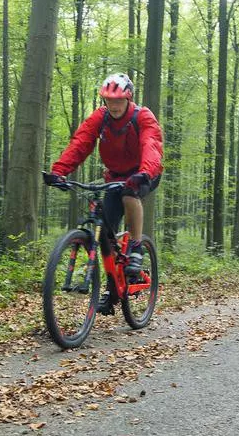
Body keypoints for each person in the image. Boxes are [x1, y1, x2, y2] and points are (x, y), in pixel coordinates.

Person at [44, 73, 163, 313]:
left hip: (145, 172)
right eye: (109, 100)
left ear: (128, 98)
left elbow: (151, 145)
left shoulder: (143, 116)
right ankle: (112, 292)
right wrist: (59, 172)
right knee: (106, 239)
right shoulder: (100, 118)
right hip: (115, 176)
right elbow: (80, 143)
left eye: (119, 100)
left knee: (130, 194)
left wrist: (145, 173)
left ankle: (137, 247)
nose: (114, 105)